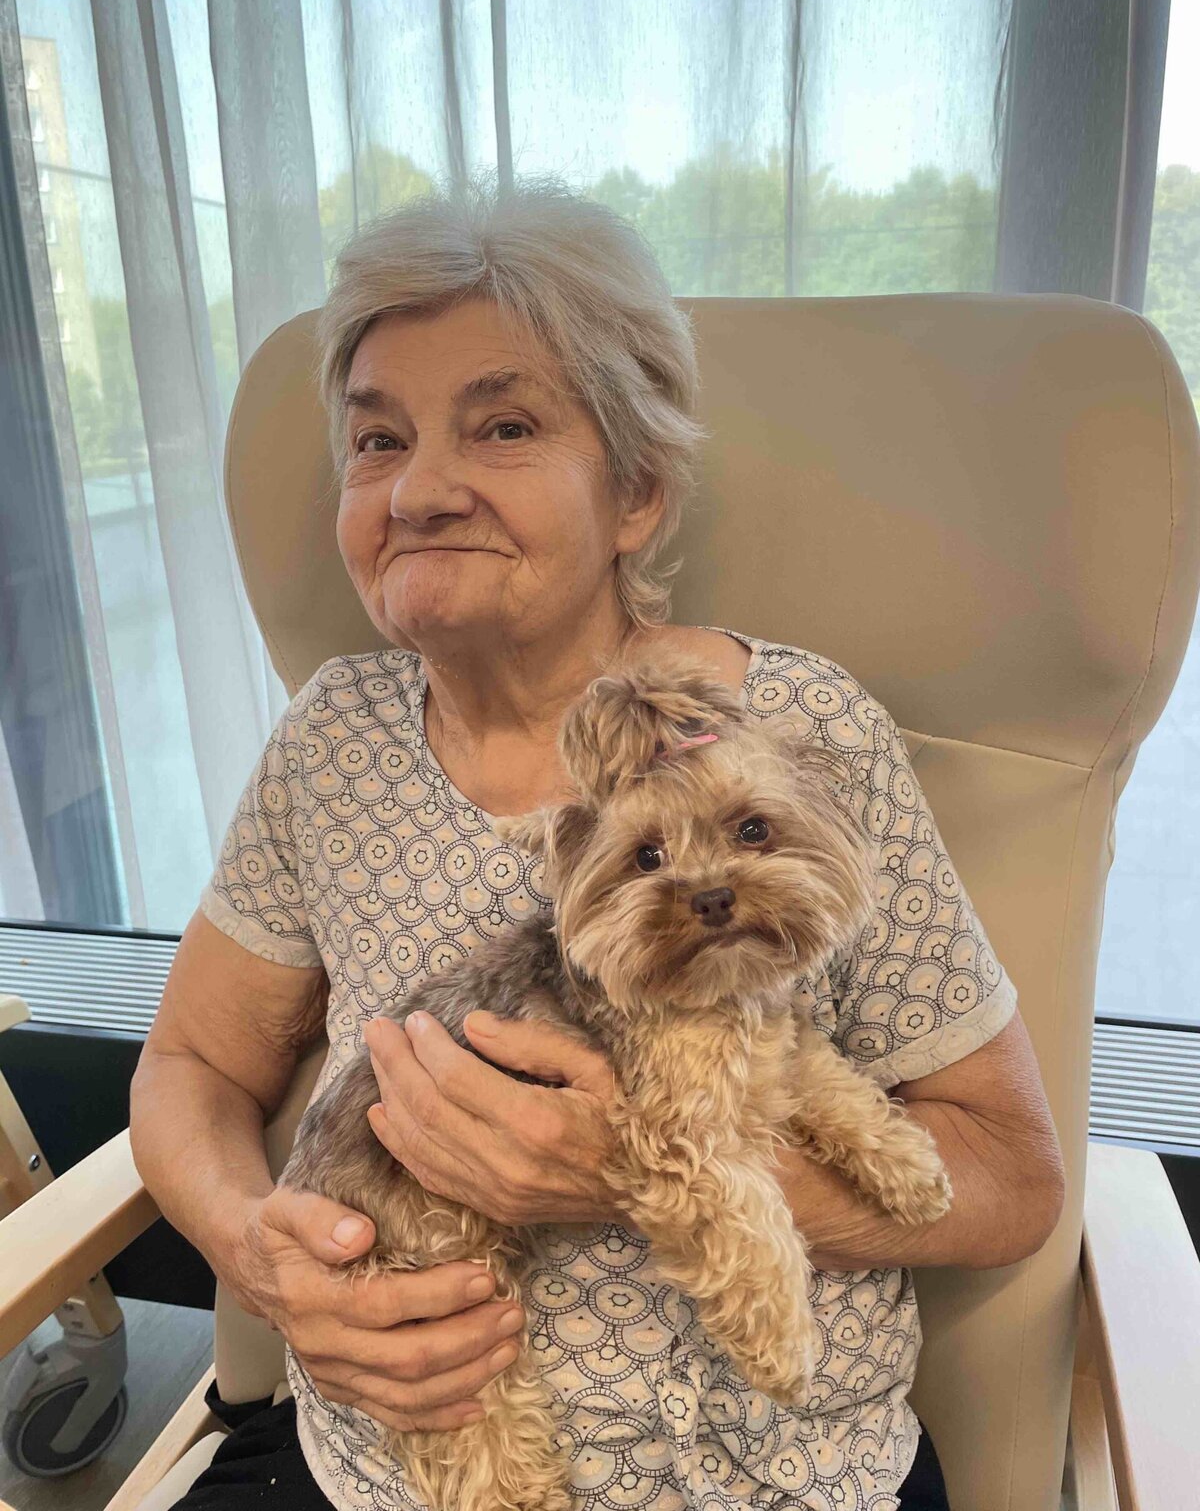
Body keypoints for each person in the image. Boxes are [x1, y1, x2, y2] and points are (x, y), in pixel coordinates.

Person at [131, 173, 1065, 1511]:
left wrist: (640, 1169)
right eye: (378, 440)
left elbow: (1012, 1179)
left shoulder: (799, 732)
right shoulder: (331, 740)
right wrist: (261, 1253)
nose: (421, 490)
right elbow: (190, 1067)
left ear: (636, 494)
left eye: (503, 426)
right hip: (399, 1467)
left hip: (780, 1480)